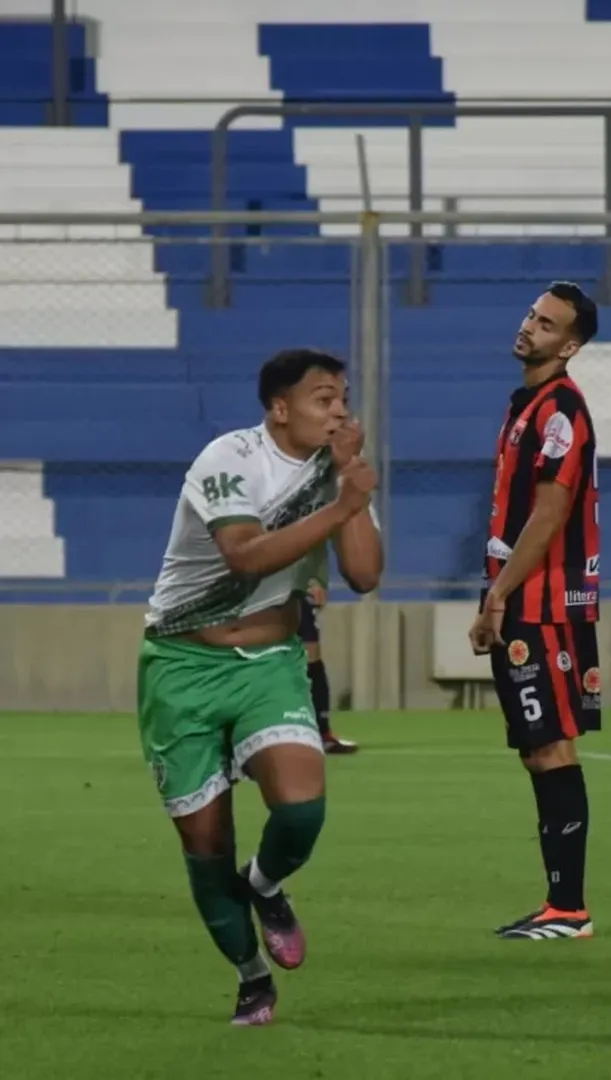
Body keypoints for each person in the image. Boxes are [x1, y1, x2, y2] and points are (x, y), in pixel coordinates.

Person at [137, 348, 382, 1025]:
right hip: (182, 666)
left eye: (342, 398)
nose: (339, 411)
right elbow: (243, 557)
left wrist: (349, 488)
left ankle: (265, 885)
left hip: (270, 663)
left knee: (302, 808)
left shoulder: (339, 477)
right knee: (205, 845)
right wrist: (341, 506)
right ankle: (252, 977)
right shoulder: (229, 458)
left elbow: (364, 576)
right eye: (323, 398)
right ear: (280, 408)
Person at [469, 281, 601, 941]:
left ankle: (569, 909)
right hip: (523, 599)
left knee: (550, 746)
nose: (530, 327)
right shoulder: (529, 405)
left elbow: (550, 515)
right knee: (538, 749)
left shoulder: (560, 412)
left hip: (545, 607)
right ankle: (561, 906)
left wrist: (498, 594)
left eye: (547, 324)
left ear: (570, 345)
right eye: (530, 315)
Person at [299, 568, 359, 755]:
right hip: (267, 583)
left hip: (296, 585)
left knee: (310, 654)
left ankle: (321, 732)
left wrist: (315, 580)